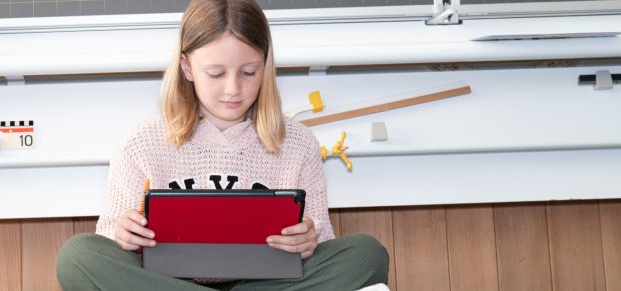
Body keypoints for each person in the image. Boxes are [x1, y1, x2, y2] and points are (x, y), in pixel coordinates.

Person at [57, 0, 389, 289]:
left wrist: (307, 240)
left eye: (248, 72)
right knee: (78, 256)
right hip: (168, 283)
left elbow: (321, 243)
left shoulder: (298, 142)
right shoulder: (141, 144)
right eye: (216, 73)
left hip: (268, 283)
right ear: (187, 67)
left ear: (265, 63)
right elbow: (107, 241)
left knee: (366, 254)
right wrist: (123, 235)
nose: (233, 89)